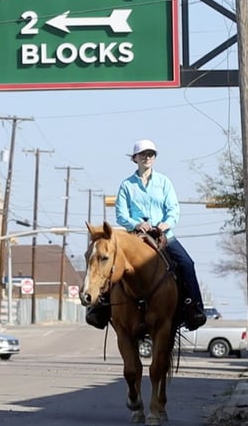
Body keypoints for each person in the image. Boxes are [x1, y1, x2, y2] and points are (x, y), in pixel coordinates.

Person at [88, 138, 206, 331]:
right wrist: (136, 223)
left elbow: (173, 208)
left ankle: (193, 308)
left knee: (186, 263)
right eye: (143, 154)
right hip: (134, 236)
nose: (147, 158)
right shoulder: (127, 185)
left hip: (163, 234)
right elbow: (121, 214)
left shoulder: (164, 182)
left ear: (154, 158)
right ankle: (99, 309)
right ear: (135, 158)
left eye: (150, 154)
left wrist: (166, 223)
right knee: (110, 264)